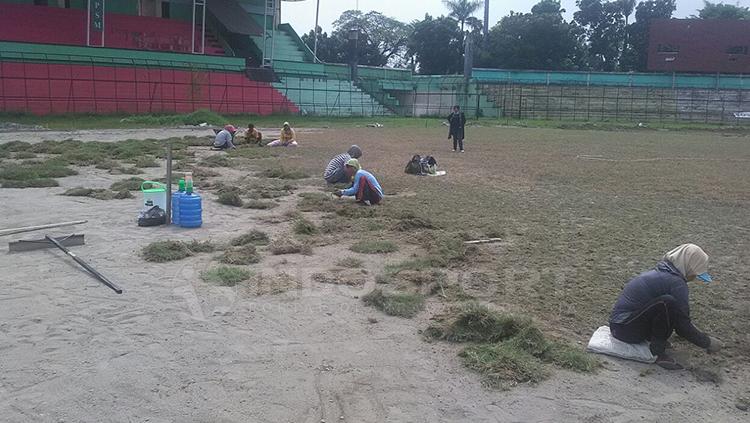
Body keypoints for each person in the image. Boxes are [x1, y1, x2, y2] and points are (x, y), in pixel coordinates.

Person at [609, 244, 723, 370]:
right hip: (624, 329)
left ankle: (654, 342)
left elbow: (680, 317)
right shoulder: (676, 283)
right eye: (695, 273)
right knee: (667, 303)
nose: (695, 277)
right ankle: (657, 353)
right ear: (689, 267)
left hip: (621, 326)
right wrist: (707, 343)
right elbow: (682, 326)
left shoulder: (664, 272)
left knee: (669, 306)